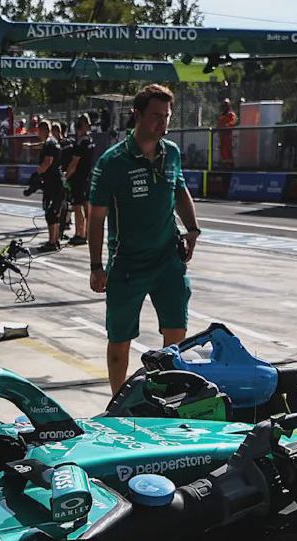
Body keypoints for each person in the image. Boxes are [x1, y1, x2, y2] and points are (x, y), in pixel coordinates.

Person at [87, 83, 202, 395]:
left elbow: (180, 191)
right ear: (136, 114)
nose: (162, 123)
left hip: (168, 260)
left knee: (176, 332)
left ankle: (169, 394)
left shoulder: (171, 153)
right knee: (119, 339)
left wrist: (192, 230)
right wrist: (96, 266)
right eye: (155, 116)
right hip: (127, 264)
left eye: (167, 116)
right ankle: (117, 403)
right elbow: (96, 218)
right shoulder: (112, 162)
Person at [34, 121, 68, 251]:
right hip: (54, 182)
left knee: (51, 213)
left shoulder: (49, 144)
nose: (38, 133)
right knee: (54, 212)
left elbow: (48, 162)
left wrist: (37, 173)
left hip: (53, 182)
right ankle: (55, 240)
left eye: (38, 130)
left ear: (43, 130)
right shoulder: (53, 142)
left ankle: (52, 242)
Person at [63, 115, 96, 246]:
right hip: (88, 177)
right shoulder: (90, 141)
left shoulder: (81, 143)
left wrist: (66, 176)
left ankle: (79, 233)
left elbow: (74, 163)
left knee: (77, 206)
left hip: (79, 178)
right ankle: (87, 233)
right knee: (87, 206)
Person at [216, 95, 238, 168]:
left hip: (228, 136)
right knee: (222, 150)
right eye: (223, 105)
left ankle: (229, 164)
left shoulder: (231, 114)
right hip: (221, 136)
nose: (224, 106)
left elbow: (233, 122)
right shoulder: (222, 115)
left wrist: (225, 126)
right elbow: (219, 123)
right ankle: (223, 163)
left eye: (226, 105)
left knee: (227, 150)